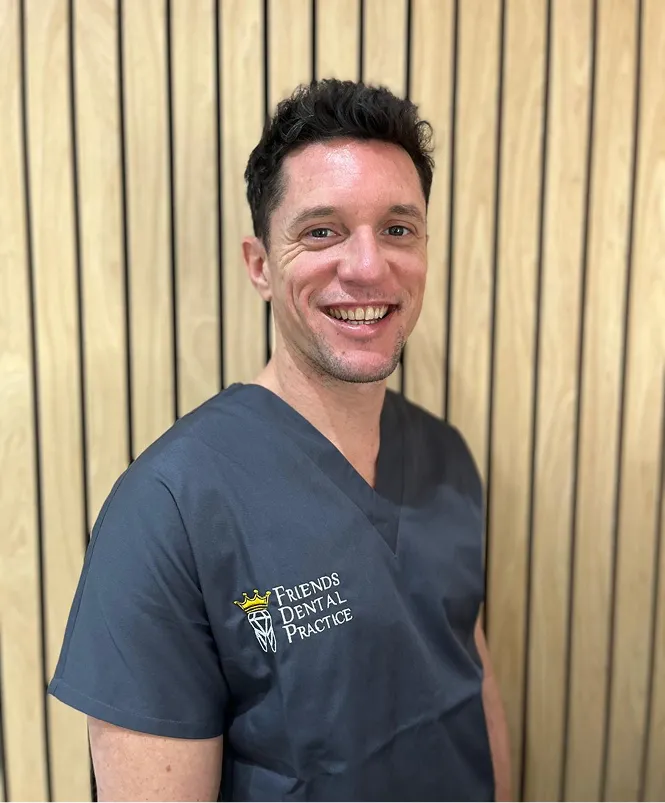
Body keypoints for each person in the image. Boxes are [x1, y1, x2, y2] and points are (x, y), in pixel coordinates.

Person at [48, 78, 511, 802]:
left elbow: (468, 675)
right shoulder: (168, 511)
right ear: (260, 264)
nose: (367, 266)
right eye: (321, 231)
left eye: (398, 229)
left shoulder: (447, 457)